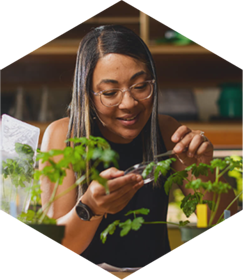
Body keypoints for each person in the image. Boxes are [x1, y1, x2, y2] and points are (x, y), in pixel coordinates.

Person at [40, 25, 237, 280]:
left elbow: (214, 220)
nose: (129, 103)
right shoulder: (62, 136)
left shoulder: (167, 131)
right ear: (86, 93)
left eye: (141, 86)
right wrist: (90, 207)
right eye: (110, 93)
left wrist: (202, 169)